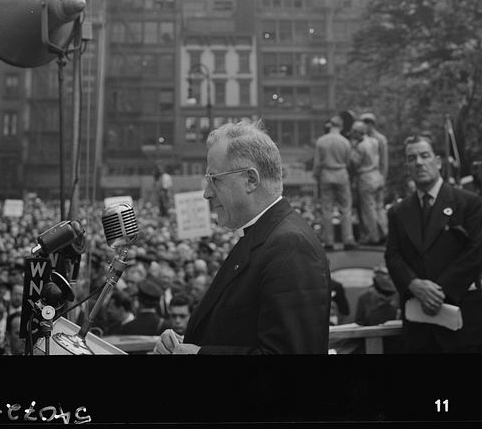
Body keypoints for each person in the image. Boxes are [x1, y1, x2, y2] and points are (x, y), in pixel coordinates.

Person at [152, 119, 331, 354]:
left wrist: (198, 354)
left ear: (250, 180)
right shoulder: (263, 236)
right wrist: (182, 343)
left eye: (214, 179)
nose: (206, 193)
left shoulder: (290, 246)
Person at [385, 132, 482, 354]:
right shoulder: (398, 212)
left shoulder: (469, 204)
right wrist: (414, 285)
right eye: (412, 158)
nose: (419, 163)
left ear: (438, 161)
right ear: (407, 166)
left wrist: (438, 291)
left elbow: (476, 253)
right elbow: (393, 255)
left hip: (461, 324)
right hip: (419, 329)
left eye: (424, 155)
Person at [311, 114, 355, 250]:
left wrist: (316, 176)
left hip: (326, 174)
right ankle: (348, 240)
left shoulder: (321, 141)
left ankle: (328, 241)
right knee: (345, 208)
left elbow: (317, 163)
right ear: (341, 127)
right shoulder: (345, 142)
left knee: (327, 209)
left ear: (330, 126)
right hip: (341, 174)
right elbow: (348, 161)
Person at [349, 120, 387, 245]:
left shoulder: (360, 146)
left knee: (368, 210)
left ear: (358, 132)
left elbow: (354, 163)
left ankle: (373, 236)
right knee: (379, 207)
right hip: (377, 175)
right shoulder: (374, 141)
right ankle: (385, 232)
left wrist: (352, 148)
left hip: (366, 178)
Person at [360, 112, 389, 235]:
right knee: (375, 207)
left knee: (376, 207)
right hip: (374, 177)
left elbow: (384, 160)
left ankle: (381, 233)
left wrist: (383, 176)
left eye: (366, 123)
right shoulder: (366, 138)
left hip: (376, 176)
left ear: (371, 123)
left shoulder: (379, 139)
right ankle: (380, 232)